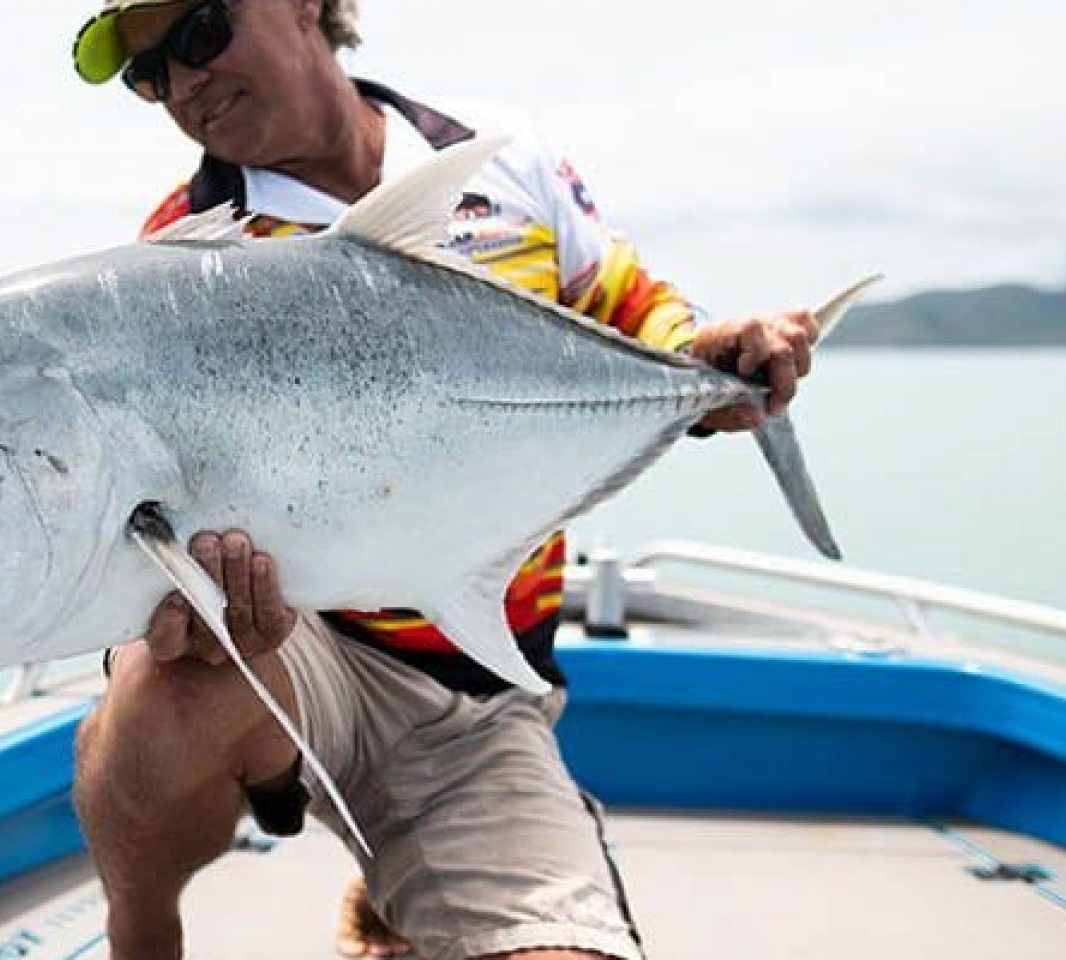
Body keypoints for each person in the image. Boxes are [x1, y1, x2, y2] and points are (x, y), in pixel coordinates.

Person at [66, 2, 821, 958]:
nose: (182, 84)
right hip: (299, 654)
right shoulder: (187, 252)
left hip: (480, 690)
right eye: (148, 76)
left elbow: (631, 308)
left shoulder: (501, 161)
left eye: (201, 32)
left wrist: (703, 361)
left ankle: (402, 891)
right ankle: (140, 930)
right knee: (159, 682)